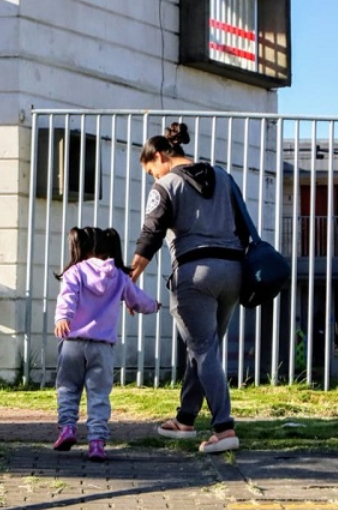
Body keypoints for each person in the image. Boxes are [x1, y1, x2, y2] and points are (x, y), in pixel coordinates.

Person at [130, 122, 247, 454]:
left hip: (195, 275)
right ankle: (185, 419)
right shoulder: (223, 177)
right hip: (233, 272)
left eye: (151, 171)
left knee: (203, 349)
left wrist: (131, 277)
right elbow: (242, 224)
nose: (153, 178)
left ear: (159, 156)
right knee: (204, 347)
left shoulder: (166, 185)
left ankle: (224, 429)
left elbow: (151, 233)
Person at [53, 226, 160, 462]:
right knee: (99, 394)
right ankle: (97, 442)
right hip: (102, 347)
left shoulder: (75, 271)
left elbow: (68, 296)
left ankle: (68, 428)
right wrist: (154, 305)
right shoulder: (119, 276)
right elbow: (138, 299)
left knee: (68, 388)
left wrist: (63, 317)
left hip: (72, 342)